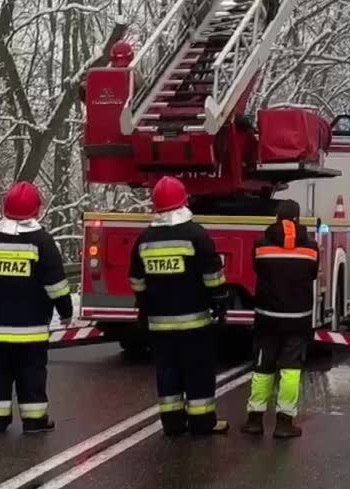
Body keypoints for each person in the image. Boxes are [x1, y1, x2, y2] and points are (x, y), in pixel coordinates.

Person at [0, 182, 73, 433]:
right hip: (31, 327)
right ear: (37, 209)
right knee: (31, 372)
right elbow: (55, 284)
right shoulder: (42, 241)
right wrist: (65, 311)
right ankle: (34, 420)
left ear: (5, 207)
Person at [129, 176, 230, 437]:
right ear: (184, 202)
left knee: (167, 372)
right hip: (194, 322)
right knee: (198, 371)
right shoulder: (196, 235)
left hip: (159, 324)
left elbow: (137, 280)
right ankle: (202, 423)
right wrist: (220, 301)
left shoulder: (145, 239)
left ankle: (173, 423)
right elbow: (212, 275)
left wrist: (143, 308)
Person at [243, 199, 317, 439]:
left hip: (267, 318)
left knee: (263, 367)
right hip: (298, 318)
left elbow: (257, 270)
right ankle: (285, 422)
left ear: (276, 218)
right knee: (291, 369)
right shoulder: (311, 248)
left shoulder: (261, 246)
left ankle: (255, 420)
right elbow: (312, 274)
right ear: (298, 219)